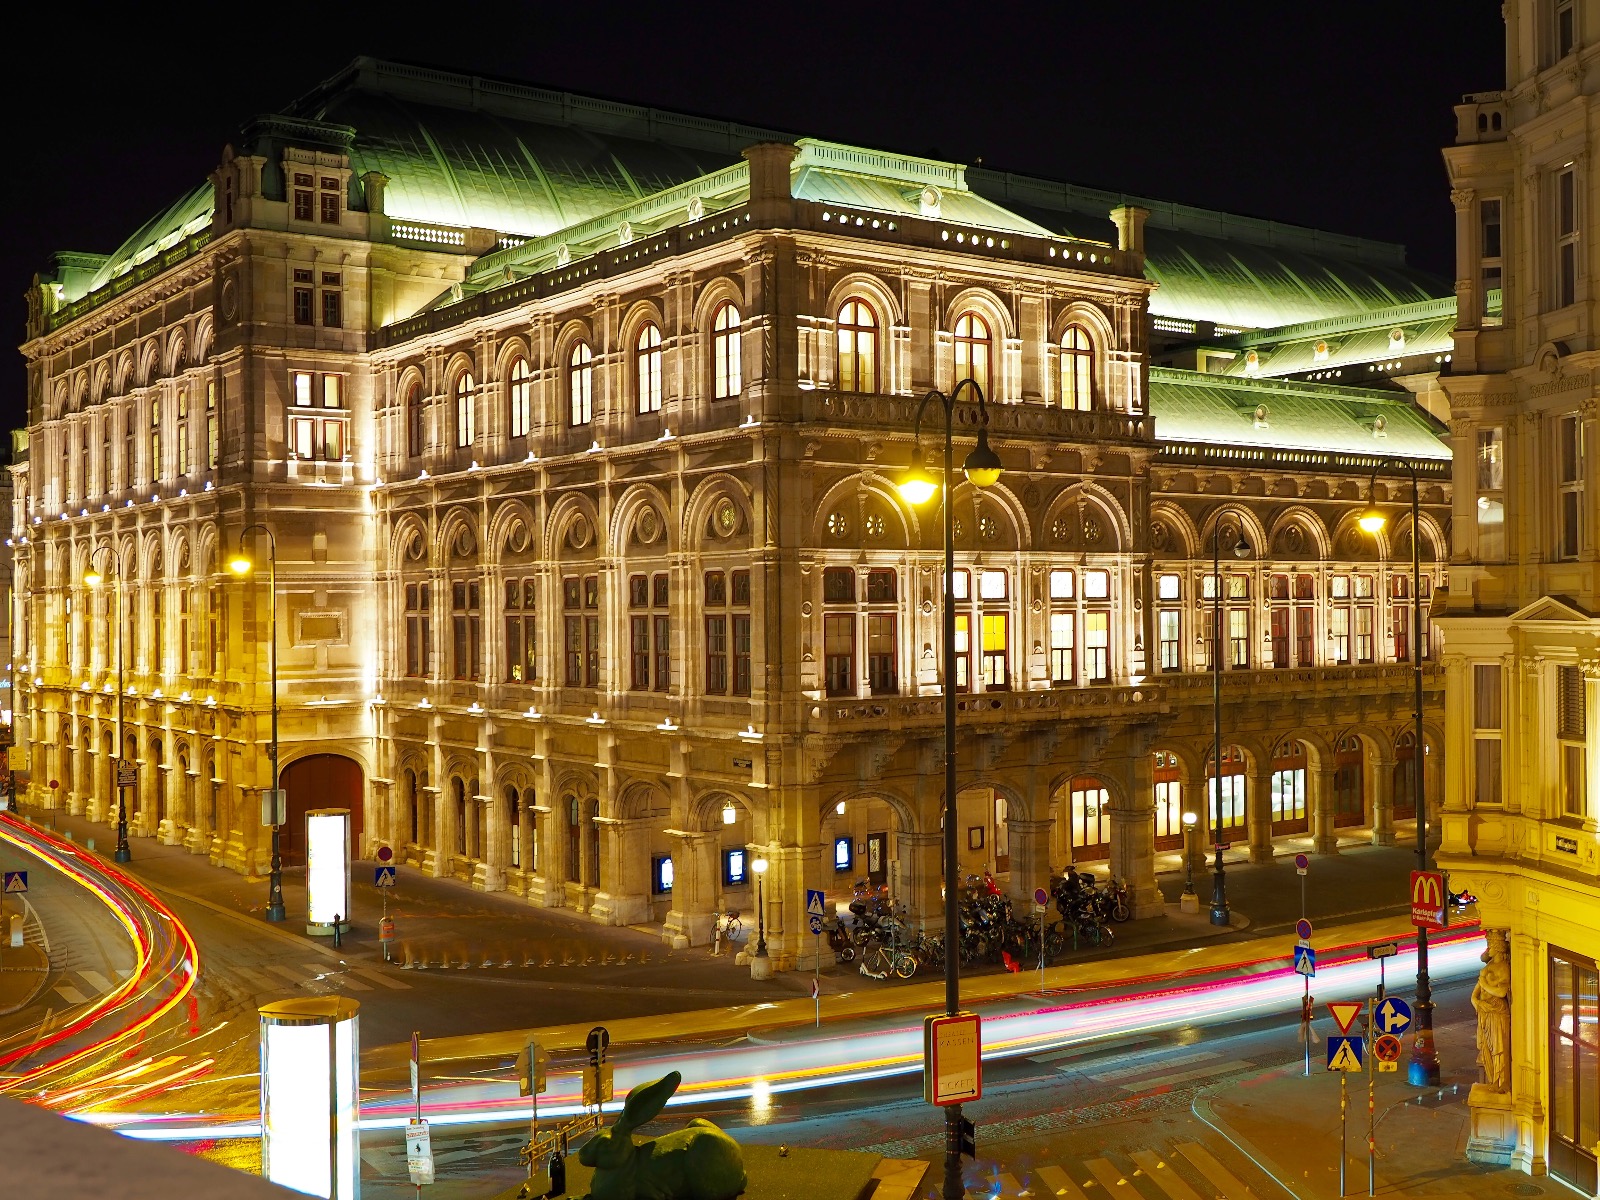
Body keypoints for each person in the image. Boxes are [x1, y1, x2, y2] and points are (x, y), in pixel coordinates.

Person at [1471, 930, 1511, 1093]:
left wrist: (1485, 985)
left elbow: (1502, 993)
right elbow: (1474, 994)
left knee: (1498, 1047)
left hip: (1497, 1012)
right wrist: (1476, 1001)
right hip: (1485, 1011)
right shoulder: (1489, 966)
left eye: (1490, 946)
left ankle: (1501, 1082)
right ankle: (1493, 1078)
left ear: (1498, 947)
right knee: (1487, 1047)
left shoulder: (1503, 968)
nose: (1488, 950)